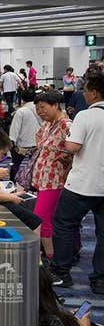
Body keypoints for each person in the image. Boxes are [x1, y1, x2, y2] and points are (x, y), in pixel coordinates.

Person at [49, 71, 104, 292]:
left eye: (86, 90)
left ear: (93, 92)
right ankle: (100, 279)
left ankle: (62, 273)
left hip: (82, 184)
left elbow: (73, 147)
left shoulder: (85, 116)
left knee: (63, 224)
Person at [31, 91, 73, 258]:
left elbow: (77, 148)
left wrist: (66, 157)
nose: (40, 112)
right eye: (37, 109)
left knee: (41, 218)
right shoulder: (47, 124)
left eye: (43, 107)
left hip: (55, 179)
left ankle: (49, 257)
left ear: (55, 105)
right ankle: (54, 254)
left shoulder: (66, 124)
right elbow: (39, 139)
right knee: (50, 217)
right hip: (43, 177)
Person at [9, 89, 42, 181]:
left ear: (22, 99)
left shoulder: (21, 111)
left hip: (22, 144)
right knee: (35, 165)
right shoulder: (40, 109)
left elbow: (15, 128)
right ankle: (33, 182)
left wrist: (12, 141)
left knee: (16, 164)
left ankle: (13, 182)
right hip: (36, 143)